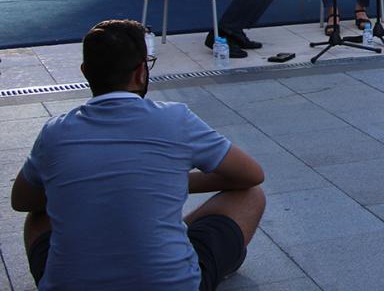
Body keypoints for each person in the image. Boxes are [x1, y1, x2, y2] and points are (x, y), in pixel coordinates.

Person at [10, 19, 266, 290]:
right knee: (250, 196)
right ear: (140, 72)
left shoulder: (55, 133)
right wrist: (170, 177)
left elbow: (22, 200)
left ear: (85, 72)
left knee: (38, 216)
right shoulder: (175, 119)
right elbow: (252, 175)